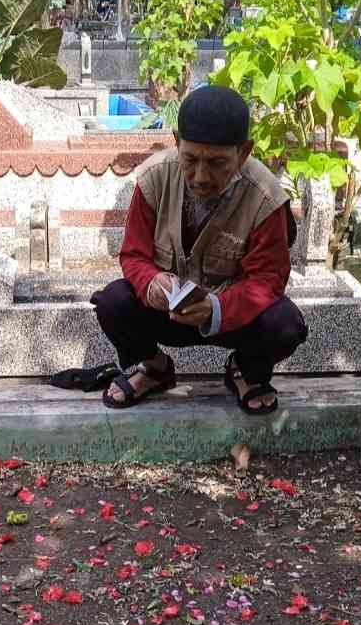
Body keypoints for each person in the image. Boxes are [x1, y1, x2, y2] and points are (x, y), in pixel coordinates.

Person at [91, 85, 308, 415]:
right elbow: (133, 255)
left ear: (244, 152)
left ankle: (244, 370)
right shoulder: (153, 177)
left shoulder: (266, 198)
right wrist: (152, 283)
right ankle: (155, 368)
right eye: (190, 159)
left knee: (285, 324)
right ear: (177, 143)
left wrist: (216, 308)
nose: (201, 177)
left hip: (233, 319)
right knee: (113, 302)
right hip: (166, 313)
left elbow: (268, 279)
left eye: (218, 163)